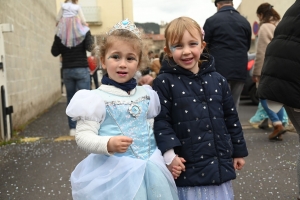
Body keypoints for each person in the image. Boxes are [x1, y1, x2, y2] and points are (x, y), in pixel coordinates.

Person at [65, 19, 178, 200]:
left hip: (152, 167)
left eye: (130, 58)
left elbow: (153, 129)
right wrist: (107, 143)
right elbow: (82, 136)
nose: (123, 64)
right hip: (116, 173)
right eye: (115, 57)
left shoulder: (147, 94)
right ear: (103, 60)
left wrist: (168, 156)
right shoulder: (95, 99)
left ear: (139, 62)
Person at [152, 16, 248, 200]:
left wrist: (238, 151)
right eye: (178, 46)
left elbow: (231, 118)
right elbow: (161, 121)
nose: (186, 51)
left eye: (192, 44)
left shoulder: (218, 80)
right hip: (186, 167)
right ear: (168, 51)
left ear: (203, 46)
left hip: (218, 164)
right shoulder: (164, 82)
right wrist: (169, 155)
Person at [257, 0, 300, 197]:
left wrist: (259, 73)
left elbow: (262, 52)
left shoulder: (290, 13)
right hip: (290, 77)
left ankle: (276, 122)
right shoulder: (273, 24)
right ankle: (277, 122)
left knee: (271, 101)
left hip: (279, 75)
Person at [203, 0, 252, 111]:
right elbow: (247, 46)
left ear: (218, 5)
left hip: (219, 69)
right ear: (232, 3)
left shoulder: (211, 21)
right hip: (240, 68)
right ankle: (234, 127)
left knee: (218, 105)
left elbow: (204, 47)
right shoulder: (244, 22)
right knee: (234, 106)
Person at [251, 3, 287, 140]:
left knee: (263, 96)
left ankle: (277, 124)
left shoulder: (265, 27)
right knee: (277, 98)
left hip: (268, 67)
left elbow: (261, 52)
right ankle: (280, 125)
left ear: (261, 15)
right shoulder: (279, 25)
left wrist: (256, 72)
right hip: (281, 67)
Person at [51, 22, 93, 136]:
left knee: (70, 99)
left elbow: (54, 52)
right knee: (86, 99)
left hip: (67, 69)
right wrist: (87, 30)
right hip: (81, 68)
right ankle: (87, 128)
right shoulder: (83, 30)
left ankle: (73, 129)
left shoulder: (60, 33)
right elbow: (90, 47)